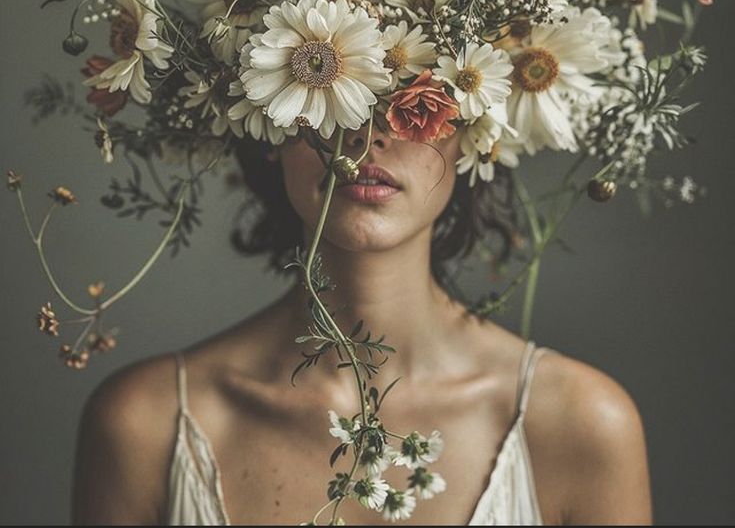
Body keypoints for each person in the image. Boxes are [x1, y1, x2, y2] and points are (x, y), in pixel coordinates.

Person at [71, 121, 652, 525]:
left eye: (415, 90)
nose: (367, 133)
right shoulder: (145, 425)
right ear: (270, 124)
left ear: (479, 132)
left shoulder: (582, 426)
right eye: (325, 82)